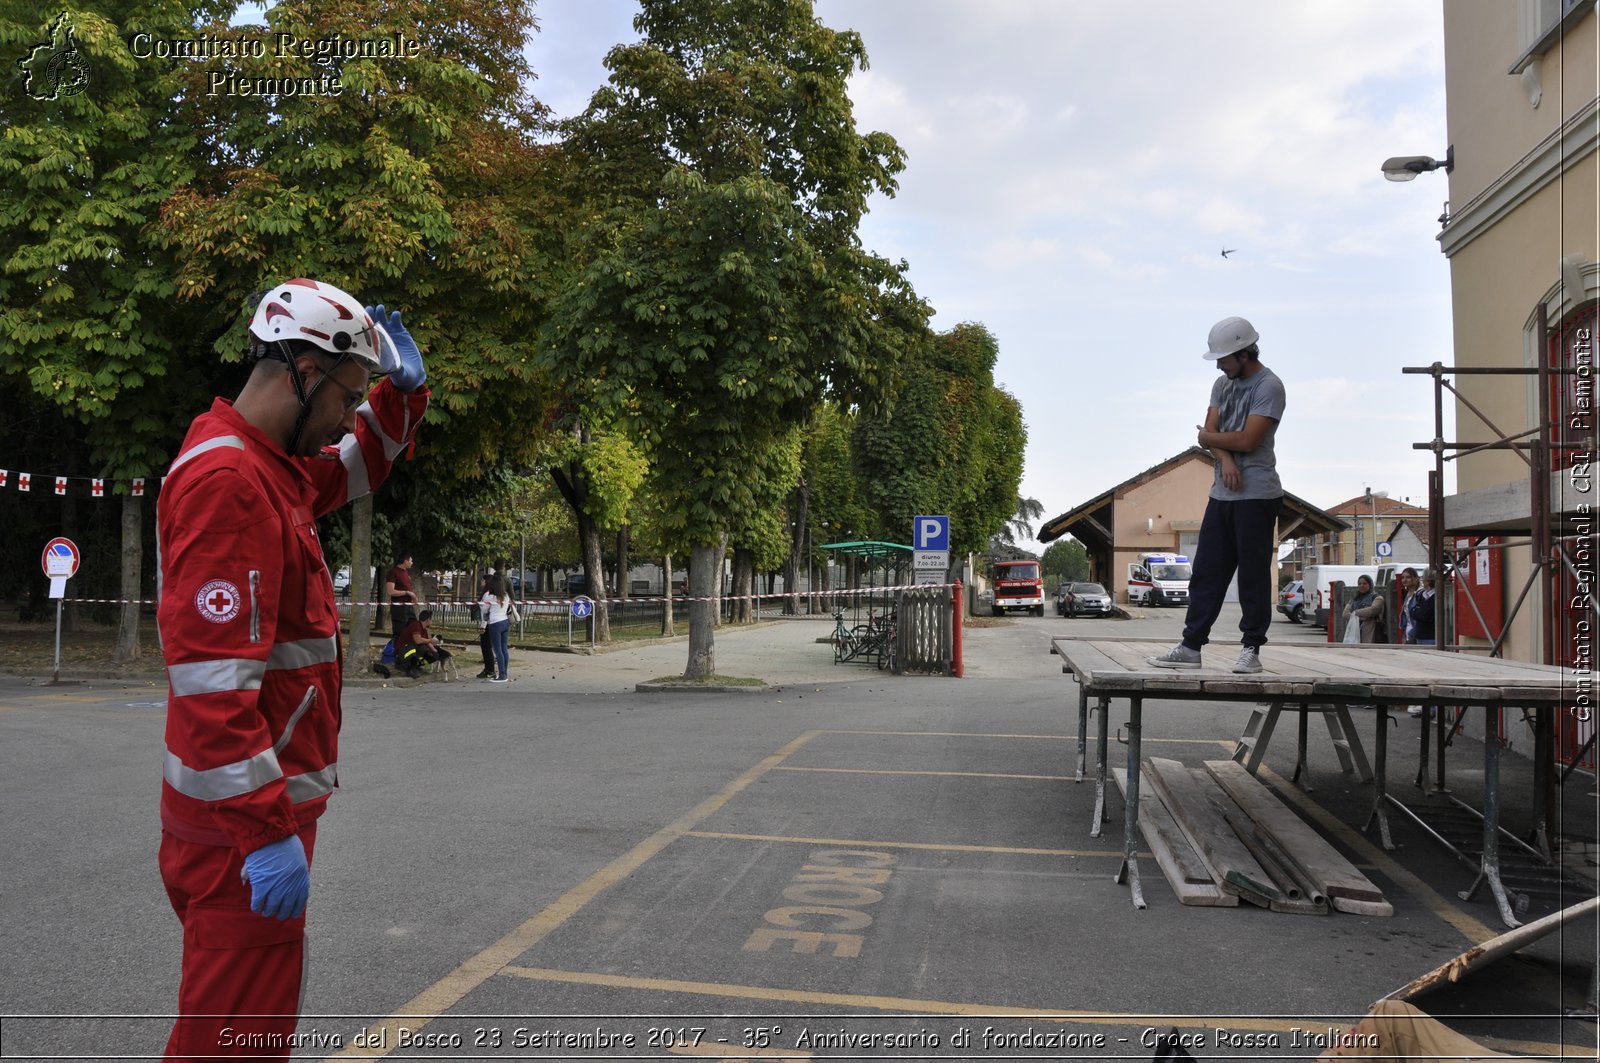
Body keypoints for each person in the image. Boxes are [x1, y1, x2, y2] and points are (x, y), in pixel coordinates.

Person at [155, 278, 428, 1060]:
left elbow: (354, 465)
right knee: (230, 1045)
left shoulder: (266, 467)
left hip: (247, 822)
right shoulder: (230, 484)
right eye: (348, 393)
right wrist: (266, 833)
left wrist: (399, 403)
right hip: (241, 835)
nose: (350, 414)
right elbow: (213, 690)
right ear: (302, 371)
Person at [1150, 316, 1287, 674]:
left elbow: (1246, 439)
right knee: (1207, 574)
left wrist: (1214, 442)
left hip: (1257, 495)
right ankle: (1191, 647)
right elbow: (1210, 434)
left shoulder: (1269, 387)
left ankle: (1251, 650)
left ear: (1244, 353)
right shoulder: (1221, 384)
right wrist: (1224, 458)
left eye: (1225, 359)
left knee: (1253, 577)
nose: (1220, 365)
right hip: (1223, 494)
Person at [479, 571, 514, 683]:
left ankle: (502, 675)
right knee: (504, 649)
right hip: (505, 621)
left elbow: (484, 610)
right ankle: (504, 673)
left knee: (497, 649)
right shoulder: (505, 595)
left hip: (495, 623)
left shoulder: (489, 596)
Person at [396, 608, 450, 677]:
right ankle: (410, 668)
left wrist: (436, 653)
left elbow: (427, 642)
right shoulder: (416, 626)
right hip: (403, 651)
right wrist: (430, 641)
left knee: (431, 653)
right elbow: (418, 640)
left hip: (410, 649)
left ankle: (417, 666)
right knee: (418, 647)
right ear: (427, 620)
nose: (432, 621)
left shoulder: (424, 630)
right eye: (431, 619)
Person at [1344, 574, 1387, 644]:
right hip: (1354, 631)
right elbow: (1345, 614)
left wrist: (1355, 614)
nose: (1362, 586)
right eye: (1360, 584)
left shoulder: (1377, 598)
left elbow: (1372, 611)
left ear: (1370, 584)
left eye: (1365, 583)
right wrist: (1362, 616)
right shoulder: (1354, 599)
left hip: (1370, 631)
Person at [384, 551, 418, 634]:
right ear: (406, 561)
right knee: (400, 631)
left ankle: (411, 646)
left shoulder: (406, 572)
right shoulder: (393, 572)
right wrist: (407, 593)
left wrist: (413, 596)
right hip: (399, 608)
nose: (412, 563)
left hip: (409, 606)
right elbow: (390, 591)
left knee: (414, 629)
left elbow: (407, 587)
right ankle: (398, 646)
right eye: (411, 561)